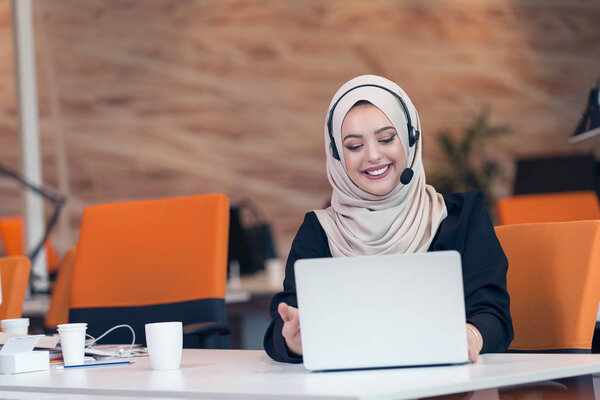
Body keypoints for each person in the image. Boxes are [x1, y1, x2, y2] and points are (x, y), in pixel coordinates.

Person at [263, 74, 513, 364]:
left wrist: (469, 336)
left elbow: (494, 315)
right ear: (336, 155)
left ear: (410, 139)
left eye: (386, 138)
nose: (373, 155)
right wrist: (297, 342)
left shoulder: (462, 217)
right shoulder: (320, 231)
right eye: (354, 146)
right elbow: (284, 324)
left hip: (450, 390)